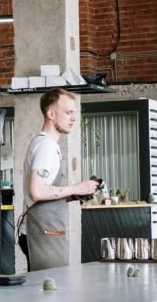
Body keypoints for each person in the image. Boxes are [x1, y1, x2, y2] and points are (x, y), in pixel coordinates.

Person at [21, 88, 101, 271]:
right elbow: (37, 191)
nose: (73, 118)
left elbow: (46, 191)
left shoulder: (48, 145)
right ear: (51, 113)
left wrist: (77, 194)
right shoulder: (46, 146)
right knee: (49, 292)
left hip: (47, 231)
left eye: (74, 113)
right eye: (68, 112)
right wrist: (75, 188)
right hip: (43, 233)